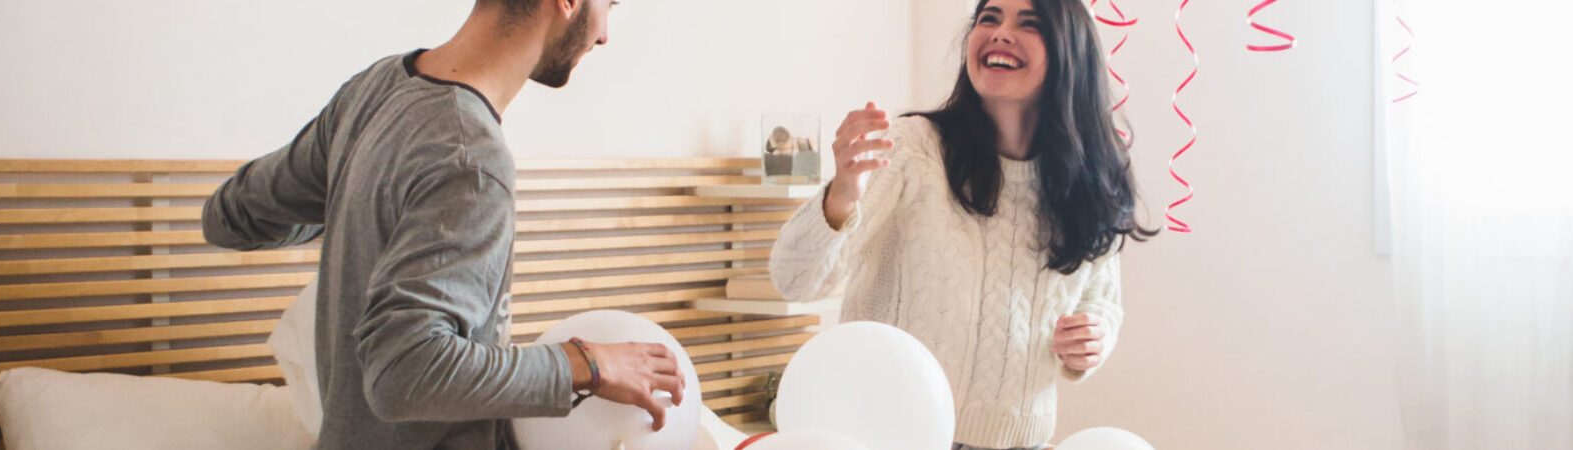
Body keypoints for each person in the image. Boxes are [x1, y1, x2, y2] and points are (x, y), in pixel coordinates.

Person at [199, 0, 684, 448]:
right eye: (610, 4)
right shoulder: (471, 159)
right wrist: (587, 365)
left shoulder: (375, 89)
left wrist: (367, 214)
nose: (603, 35)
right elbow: (402, 375)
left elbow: (229, 217)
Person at [770, 0, 1155, 448]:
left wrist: (1092, 340)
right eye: (989, 18)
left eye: (1028, 24)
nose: (1000, 32)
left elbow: (1101, 302)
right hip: (887, 433)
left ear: (1070, 54)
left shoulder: (1091, 180)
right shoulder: (913, 149)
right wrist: (842, 193)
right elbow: (793, 279)